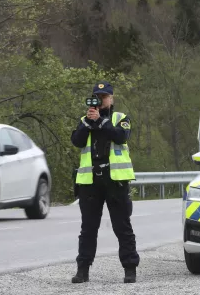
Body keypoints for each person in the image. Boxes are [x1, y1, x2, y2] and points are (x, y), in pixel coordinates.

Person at [70, 81, 139, 283]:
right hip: (90, 181)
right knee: (88, 228)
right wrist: (88, 123)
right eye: (97, 97)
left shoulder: (120, 118)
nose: (100, 100)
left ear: (111, 98)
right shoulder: (85, 120)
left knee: (122, 226)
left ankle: (130, 268)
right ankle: (82, 270)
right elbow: (76, 141)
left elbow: (121, 136)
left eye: (104, 97)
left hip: (115, 180)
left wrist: (101, 121)